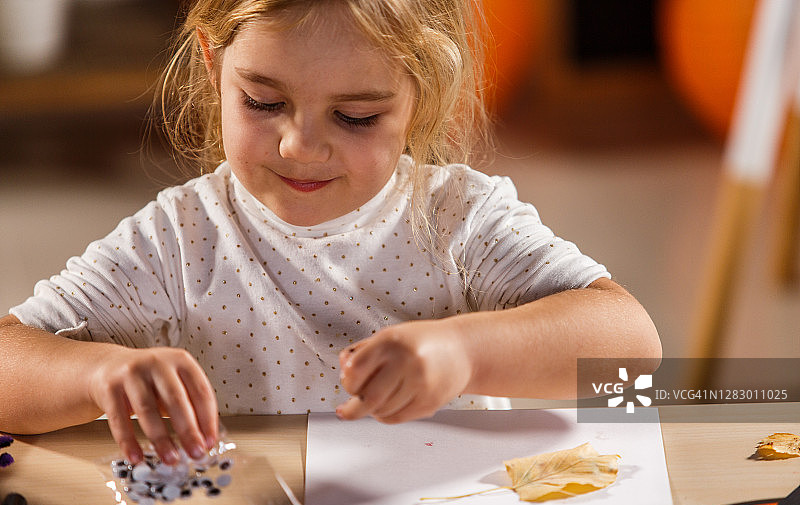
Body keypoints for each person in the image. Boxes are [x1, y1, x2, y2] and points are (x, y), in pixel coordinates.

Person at [0, 0, 661, 466]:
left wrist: (466, 351)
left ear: (422, 93)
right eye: (263, 103)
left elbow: (634, 350)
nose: (301, 146)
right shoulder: (179, 241)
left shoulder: (461, 222)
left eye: (355, 116)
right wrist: (101, 373)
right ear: (212, 67)